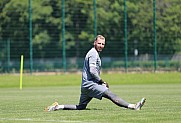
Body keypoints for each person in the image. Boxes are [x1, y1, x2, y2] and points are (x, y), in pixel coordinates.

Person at [45, 35, 146, 111]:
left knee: (81, 107)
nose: (101, 46)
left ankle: (58, 107)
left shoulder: (93, 53)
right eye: (99, 43)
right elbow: (92, 71)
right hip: (91, 84)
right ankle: (133, 106)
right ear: (94, 43)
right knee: (110, 94)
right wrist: (102, 82)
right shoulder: (93, 53)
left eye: (103, 44)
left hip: (85, 85)